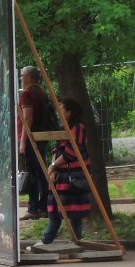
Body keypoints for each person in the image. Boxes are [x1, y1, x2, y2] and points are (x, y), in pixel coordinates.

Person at [38, 98, 91, 245]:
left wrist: (54, 165)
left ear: (69, 112)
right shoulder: (63, 128)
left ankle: (76, 240)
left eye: (61, 108)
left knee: (74, 211)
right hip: (60, 175)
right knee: (56, 208)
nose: (58, 111)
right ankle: (47, 240)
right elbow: (57, 150)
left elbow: (72, 152)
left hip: (72, 175)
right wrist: (53, 168)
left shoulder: (78, 128)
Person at [18, 66, 50, 220]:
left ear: (29, 77)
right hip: (41, 137)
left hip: (31, 139)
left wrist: (23, 142)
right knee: (41, 173)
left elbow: (27, 118)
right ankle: (43, 207)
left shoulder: (27, 94)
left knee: (31, 174)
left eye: (22, 75)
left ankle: (33, 209)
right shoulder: (40, 92)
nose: (20, 78)